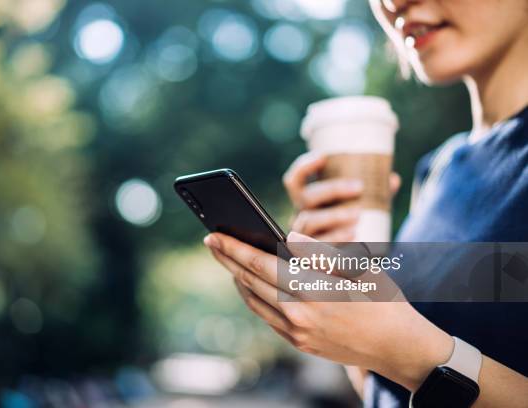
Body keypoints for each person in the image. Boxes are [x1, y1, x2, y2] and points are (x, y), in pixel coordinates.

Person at [203, 0, 528, 406]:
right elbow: (385, 393)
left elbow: (405, 357)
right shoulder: (439, 169)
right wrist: (345, 294)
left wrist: (411, 354)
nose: (393, 3)